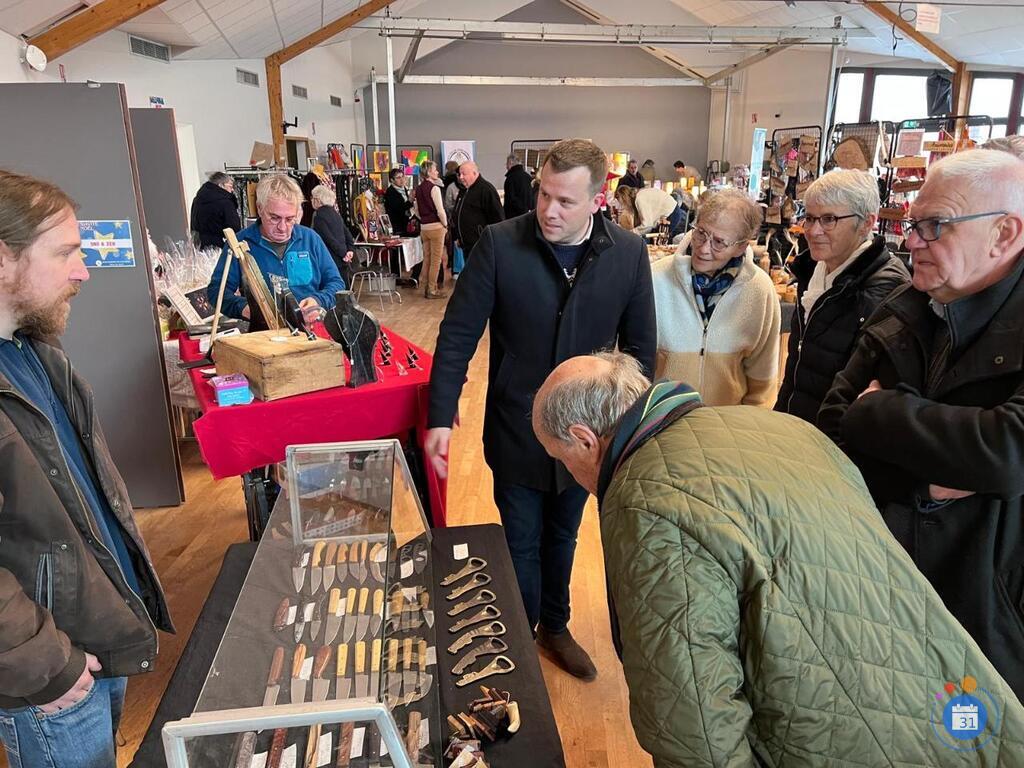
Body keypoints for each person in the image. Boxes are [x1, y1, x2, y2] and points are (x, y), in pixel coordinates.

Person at [531, 351, 1024, 767]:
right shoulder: (781, 428)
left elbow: (694, 718)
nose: (568, 472)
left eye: (560, 458)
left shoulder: (643, 498)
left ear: (584, 439)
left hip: (845, 738)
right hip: (960, 704)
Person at [426, 138, 655, 680]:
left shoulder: (626, 254)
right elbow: (458, 334)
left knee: (565, 534)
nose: (549, 210)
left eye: (565, 202)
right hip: (517, 426)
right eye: (543, 195)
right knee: (522, 541)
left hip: (588, 436)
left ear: (598, 200)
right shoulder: (500, 245)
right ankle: (521, 639)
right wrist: (440, 415)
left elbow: (640, 352)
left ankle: (555, 625)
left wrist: (626, 434)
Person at [819, 149, 1024, 699]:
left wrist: (879, 412)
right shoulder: (902, 309)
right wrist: (923, 484)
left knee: (971, 737)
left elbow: (1008, 452)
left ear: (1004, 234)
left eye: (935, 226)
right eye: (913, 224)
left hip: (990, 619)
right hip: (879, 594)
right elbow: (832, 434)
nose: (911, 242)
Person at [0, 169, 173, 765]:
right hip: (51, 668)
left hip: (93, 632)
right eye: (66, 252)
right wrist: (45, 663)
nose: (84, 271)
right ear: (2, 260)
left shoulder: (34, 353)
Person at [775, 169, 909, 423]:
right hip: (796, 430)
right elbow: (799, 365)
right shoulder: (815, 270)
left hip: (833, 446)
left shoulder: (884, 290)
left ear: (867, 223)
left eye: (829, 219)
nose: (813, 231)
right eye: (810, 218)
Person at [652, 188, 780, 406]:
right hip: (662, 426)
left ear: (741, 247)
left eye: (719, 242)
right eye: (700, 233)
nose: (703, 248)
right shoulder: (656, 278)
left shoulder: (759, 290)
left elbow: (762, 384)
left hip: (727, 427)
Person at [206, 174, 345, 325]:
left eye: (290, 219)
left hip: (310, 332)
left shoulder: (310, 239)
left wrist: (318, 300)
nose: (282, 227)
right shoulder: (239, 243)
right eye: (274, 218)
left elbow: (336, 283)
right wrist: (246, 308)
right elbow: (216, 292)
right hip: (264, 336)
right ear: (260, 209)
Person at [452, 161, 503, 257]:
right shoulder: (464, 190)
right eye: (460, 174)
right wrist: (458, 237)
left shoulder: (486, 190)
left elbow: (497, 218)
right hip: (466, 245)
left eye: (464, 174)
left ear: (474, 173)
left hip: (481, 245)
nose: (461, 177)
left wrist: (493, 242)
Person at [414, 160, 449, 299]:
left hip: (424, 227)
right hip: (436, 226)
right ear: (428, 172)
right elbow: (440, 210)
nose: (437, 172)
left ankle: (426, 286)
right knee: (436, 260)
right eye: (435, 169)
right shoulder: (434, 188)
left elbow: (416, 210)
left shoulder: (418, 188)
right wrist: (445, 224)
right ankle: (432, 289)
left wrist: (423, 218)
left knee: (427, 258)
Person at [310, 184, 356, 287]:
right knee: (344, 288)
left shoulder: (318, 216)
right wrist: (349, 251)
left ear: (317, 200)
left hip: (330, 259)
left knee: (333, 289)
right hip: (342, 260)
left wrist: (343, 253)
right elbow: (347, 234)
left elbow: (328, 238)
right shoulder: (336, 214)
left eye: (312, 198)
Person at [190, 171, 241, 250]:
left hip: (199, 246)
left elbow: (193, 224)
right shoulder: (225, 202)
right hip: (221, 247)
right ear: (221, 185)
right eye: (230, 186)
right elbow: (234, 228)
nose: (232, 190)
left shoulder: (197, 200)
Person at [615, 184, 684, 237]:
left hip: (672, 213)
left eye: (623, 204)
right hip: (672, 211)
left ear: (625, 199)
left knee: (656, 241)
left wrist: (630, 233)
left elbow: (647, 226)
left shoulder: (639, 199)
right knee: (654, 240)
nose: (624, 207)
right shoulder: (639, 196)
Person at [383, 168, 414, 237]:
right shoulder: (391, 192)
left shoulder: (404, 189)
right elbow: (399, 209)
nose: (402, 179)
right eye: (398, 178)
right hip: (397, 226)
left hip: (406, 224)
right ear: (392, 180)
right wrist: (409, 201)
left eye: (403, 176)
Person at [503, 154, 533, 218]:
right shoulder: (528, 177)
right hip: (527, 215)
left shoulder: (510, 179)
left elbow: (510, 199)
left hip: (513, 216)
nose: (506, 166)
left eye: (507, 163)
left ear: (511, 163)